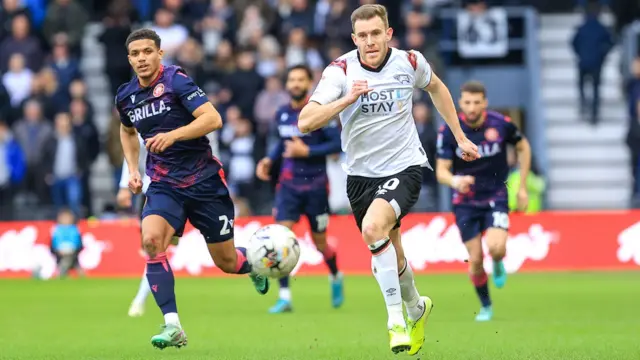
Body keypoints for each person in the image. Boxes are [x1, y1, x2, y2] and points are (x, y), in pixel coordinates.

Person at [297, 4, 479, 355]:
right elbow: (306, 121)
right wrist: (347, 99)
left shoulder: (410, 62)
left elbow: (438, 88)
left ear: (388, 33)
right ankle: (416, 308)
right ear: (354, 39)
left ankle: (395, 321)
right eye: (362, 36)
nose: (370, 41)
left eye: (376, 34)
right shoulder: (340, 71)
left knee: (372, 229)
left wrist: (458, 136)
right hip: (360, 176)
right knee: (391, 252)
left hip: (405, 167)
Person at [115, 28, 269, 350]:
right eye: (135, 54)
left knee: (227, 262)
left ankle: (254, 264)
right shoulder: (126, 96)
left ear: (160, 54)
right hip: (164, 185)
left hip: (205, 183)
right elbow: (127, 130)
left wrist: (174, 135)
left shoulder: (176, 82)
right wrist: (132, 169)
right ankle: (173, 326)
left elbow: (213, 119)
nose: (141, 58)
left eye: (147, 52)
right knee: (152, 241)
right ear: (129, 59)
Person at [435, 81, 531, 322]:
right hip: (465, 201)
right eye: (467, 102)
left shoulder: (501, 124)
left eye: (477, 102)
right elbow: (441, 172)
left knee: (496, 248)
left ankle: (498, 261)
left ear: (485, 103)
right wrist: (456, 181)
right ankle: (486, 305)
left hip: (496, 195)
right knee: (475, 260)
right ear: (460, 103)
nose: (472, 107)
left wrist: (522, 187)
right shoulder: (449, 130)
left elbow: (524, 147)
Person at [256, 65, 344, 314]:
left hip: (316, 188)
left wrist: (308, 152)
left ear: (309, 84)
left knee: (320, 243)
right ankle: (285, 296)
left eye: (300, 79)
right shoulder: (282, 113)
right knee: (280, 239)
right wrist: (268, 160)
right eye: (291, 79)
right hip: (289, 187)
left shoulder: (320, 113)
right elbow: (282, 145)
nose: (295, 83)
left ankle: (336, 275)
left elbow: (337, 144)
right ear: (287, 84)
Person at [49, 208, 84, 278]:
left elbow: (77, 241)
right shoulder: (57, 229)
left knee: (72, 261)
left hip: (72, 251)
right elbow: (55, 241)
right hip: (60, 251)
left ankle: (64, 272)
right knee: (65, 261)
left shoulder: (74, 229)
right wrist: (57, 250)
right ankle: (63, 273)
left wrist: (75, 249)